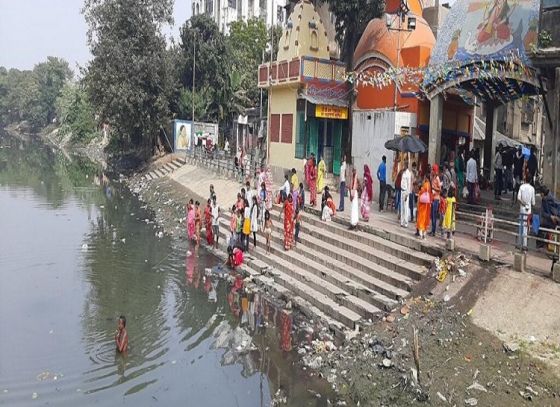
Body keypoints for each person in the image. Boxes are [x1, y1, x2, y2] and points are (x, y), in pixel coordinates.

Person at [517, 175, 535, 250]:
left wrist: (523, 203)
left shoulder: (521, 187)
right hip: (528, 210)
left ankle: (519, 243)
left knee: (521, 226)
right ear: (531, 181)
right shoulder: (532, 189)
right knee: (526, 226)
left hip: (522, 208)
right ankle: (525, 245)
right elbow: (533, 202)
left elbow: (518, 198)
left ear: (525, 179)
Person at [416, 174, 432, 239]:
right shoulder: (429, 185)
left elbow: (421, 192)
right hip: (427, 205)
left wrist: (420, 190)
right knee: (425, 218)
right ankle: (424, 233)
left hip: (423, 205)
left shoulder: (425, 185)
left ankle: (421, 233)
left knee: (421, 218)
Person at [430, 164, 441, 236]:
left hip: (436, 199)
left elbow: (440, 189)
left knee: (434, 216)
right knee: (432, 216)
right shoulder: (433, 178)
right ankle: (432, 230)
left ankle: (433, 231)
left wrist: (434, 189)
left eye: (432, 170)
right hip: (432, 198)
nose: (431, 171)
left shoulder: (437, 178)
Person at [400, 162, 412, 228]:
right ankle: (402, 222)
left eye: (404, 165)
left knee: (405, 208)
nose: (403, 166)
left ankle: (406, 223)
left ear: (406, 166)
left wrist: (407, 194)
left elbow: (409, 185)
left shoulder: (408, 174)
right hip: (401, 190)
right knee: (402, 207)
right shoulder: (403, 172)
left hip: (405, 191)